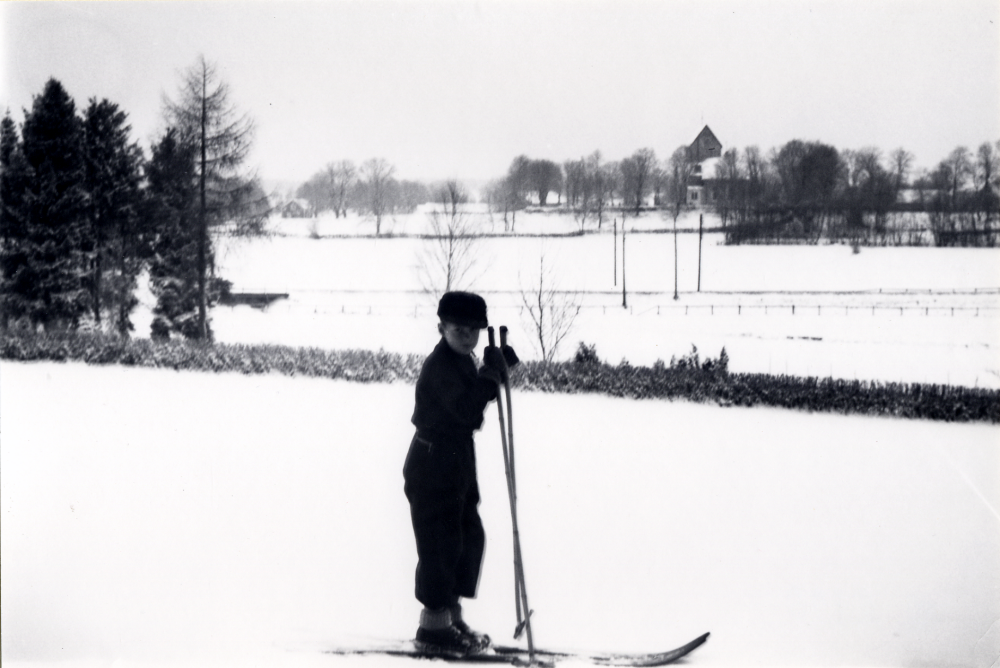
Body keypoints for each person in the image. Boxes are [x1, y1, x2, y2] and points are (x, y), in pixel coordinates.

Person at [403, 291, 518, 655]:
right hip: (432, 460)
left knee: (465, 536)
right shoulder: (438, 367)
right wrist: (489, 379)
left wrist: (496, 369)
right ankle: (433, 627)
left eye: (474, 330)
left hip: (455, 459)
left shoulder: (463, 360)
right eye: (458, 329)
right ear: (441, 328)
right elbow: (467, 411)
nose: (467, 337)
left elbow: (474, 400)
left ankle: (450, 616)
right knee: (439, 543)